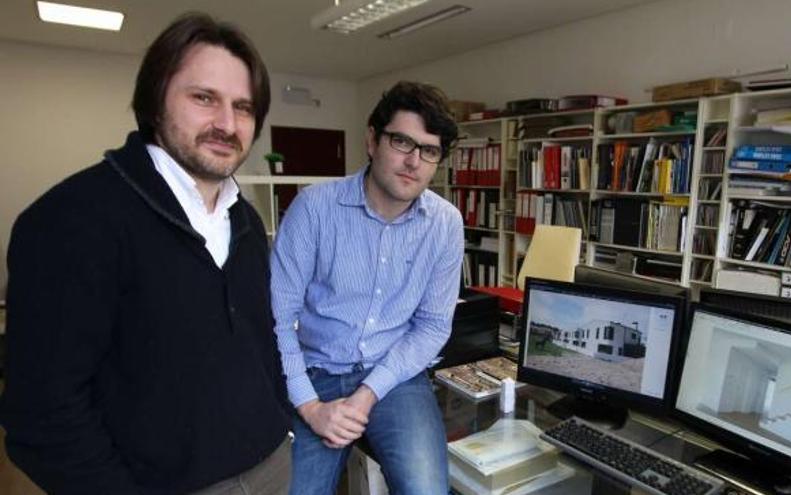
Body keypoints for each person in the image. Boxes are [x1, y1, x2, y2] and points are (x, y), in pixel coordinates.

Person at [0, 13, 292, 495]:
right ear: (155, 100)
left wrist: (277, 419)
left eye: (243, 107)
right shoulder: (71, 219)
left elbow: (257, 339)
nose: (226, 123)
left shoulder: (244, 219)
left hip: (272, 466)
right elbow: (43, 416)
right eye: (203, 98)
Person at [271, 81, 462, 495]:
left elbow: (432, 326)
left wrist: (366, 395)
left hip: (395, 376)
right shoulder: (313, 208)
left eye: (429, 151)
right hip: (316, 373)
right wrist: (310, 407)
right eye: (402, 142)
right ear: (373, 140)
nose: (414, 161)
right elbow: (276, 320)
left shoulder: (446, 224)